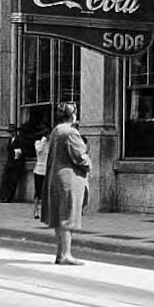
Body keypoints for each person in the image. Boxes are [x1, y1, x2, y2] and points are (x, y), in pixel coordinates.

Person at [43, 102, 91, 265]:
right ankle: (66, 254)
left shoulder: (57, 130)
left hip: (56, 177)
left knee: (60, 216)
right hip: (69, 179)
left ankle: (60, 253)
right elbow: (80, 156)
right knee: (68, 216)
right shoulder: (71, 132)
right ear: (73, 115)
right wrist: (88, 164)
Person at [0, 123, 26, 202]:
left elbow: (22, 151)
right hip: (10, 162)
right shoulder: (10, 140)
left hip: (16, 163)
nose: (11, 133)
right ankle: (4, 196)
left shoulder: (20, 140)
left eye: (12, 131)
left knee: (12, 181)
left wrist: (18, 154)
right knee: (5, 180)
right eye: (10, 132)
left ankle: (9, 197)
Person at [32, 124, 50, 220]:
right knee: (38, 191)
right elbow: (39, 151)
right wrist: (43, 140)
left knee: (46, 191)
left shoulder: (49, 144)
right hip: (39, 169)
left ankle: (45, 210)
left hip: (47, 170)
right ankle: (36, 209)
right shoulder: (38, 143)